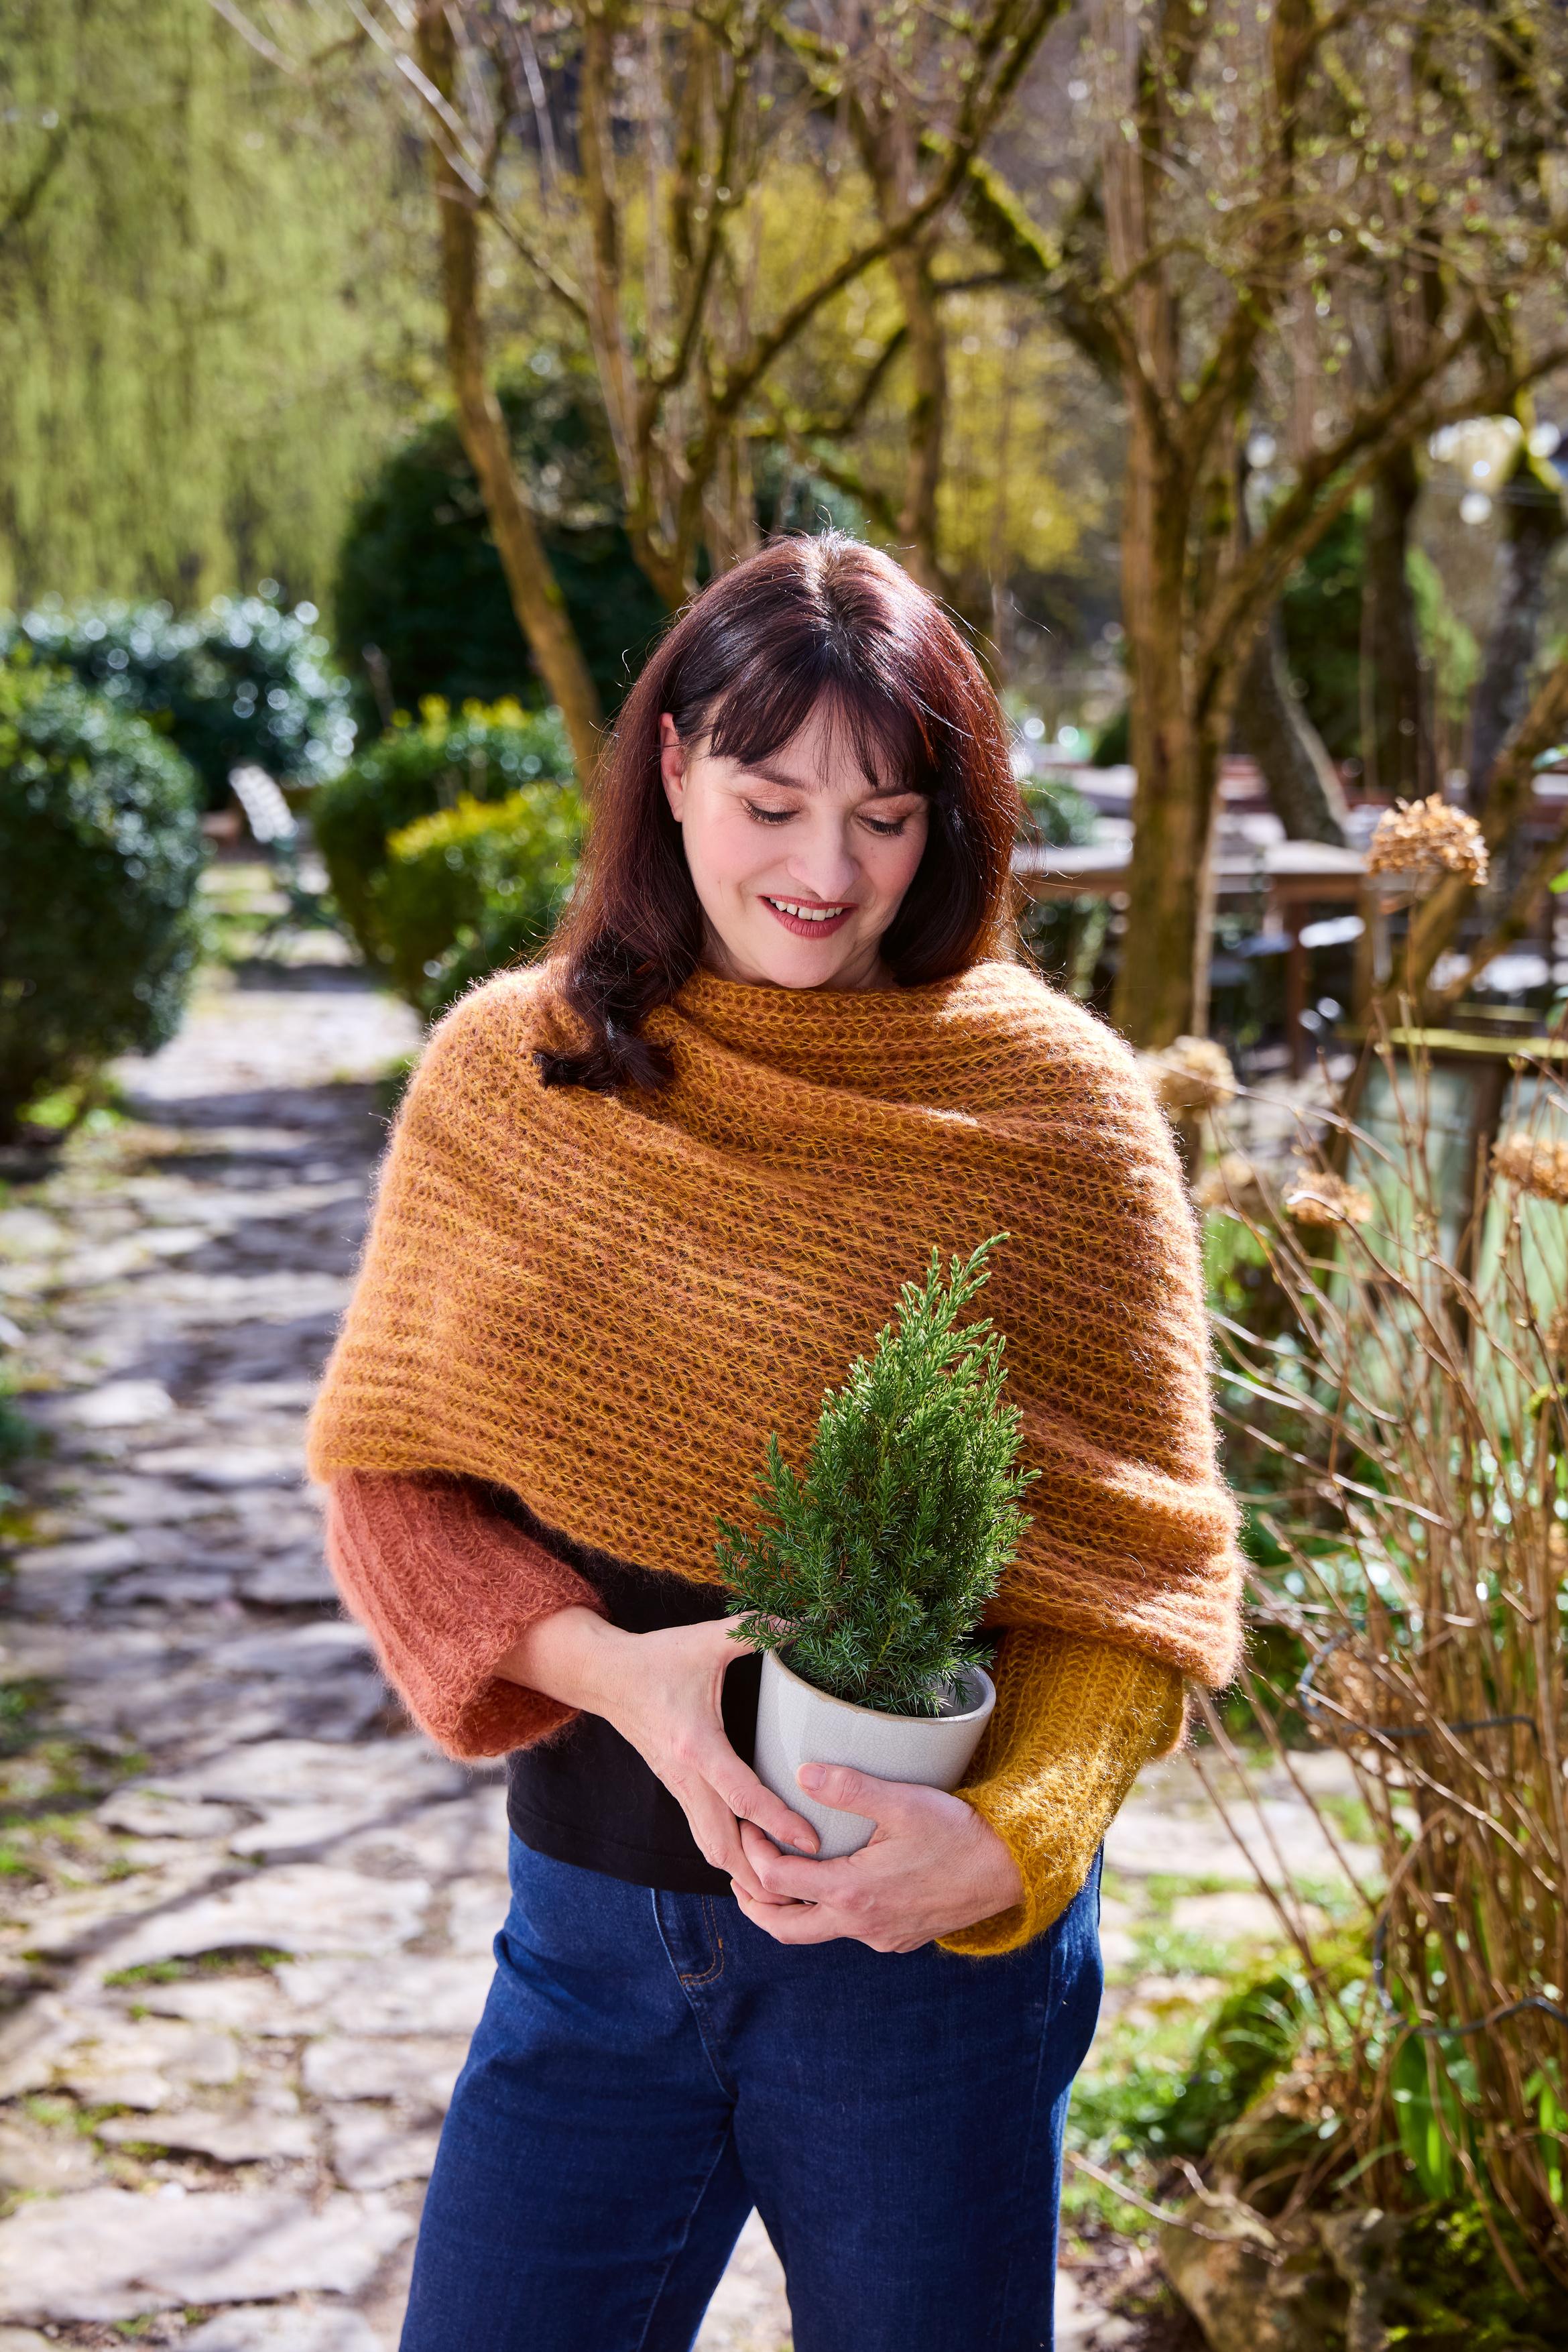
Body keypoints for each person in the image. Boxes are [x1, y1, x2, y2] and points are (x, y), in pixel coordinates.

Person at [306, 530, 1243, 2352]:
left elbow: (1143, 1578)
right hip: (586, 1933)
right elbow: (388, 1472)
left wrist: (1008, 1842)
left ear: (946, 819)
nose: (825, 870)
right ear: (669, 769)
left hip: (917, 1980)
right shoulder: (520, 1070)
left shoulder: (1055, 1111)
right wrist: (619, 1675)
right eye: (770, 798)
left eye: (884, 816)